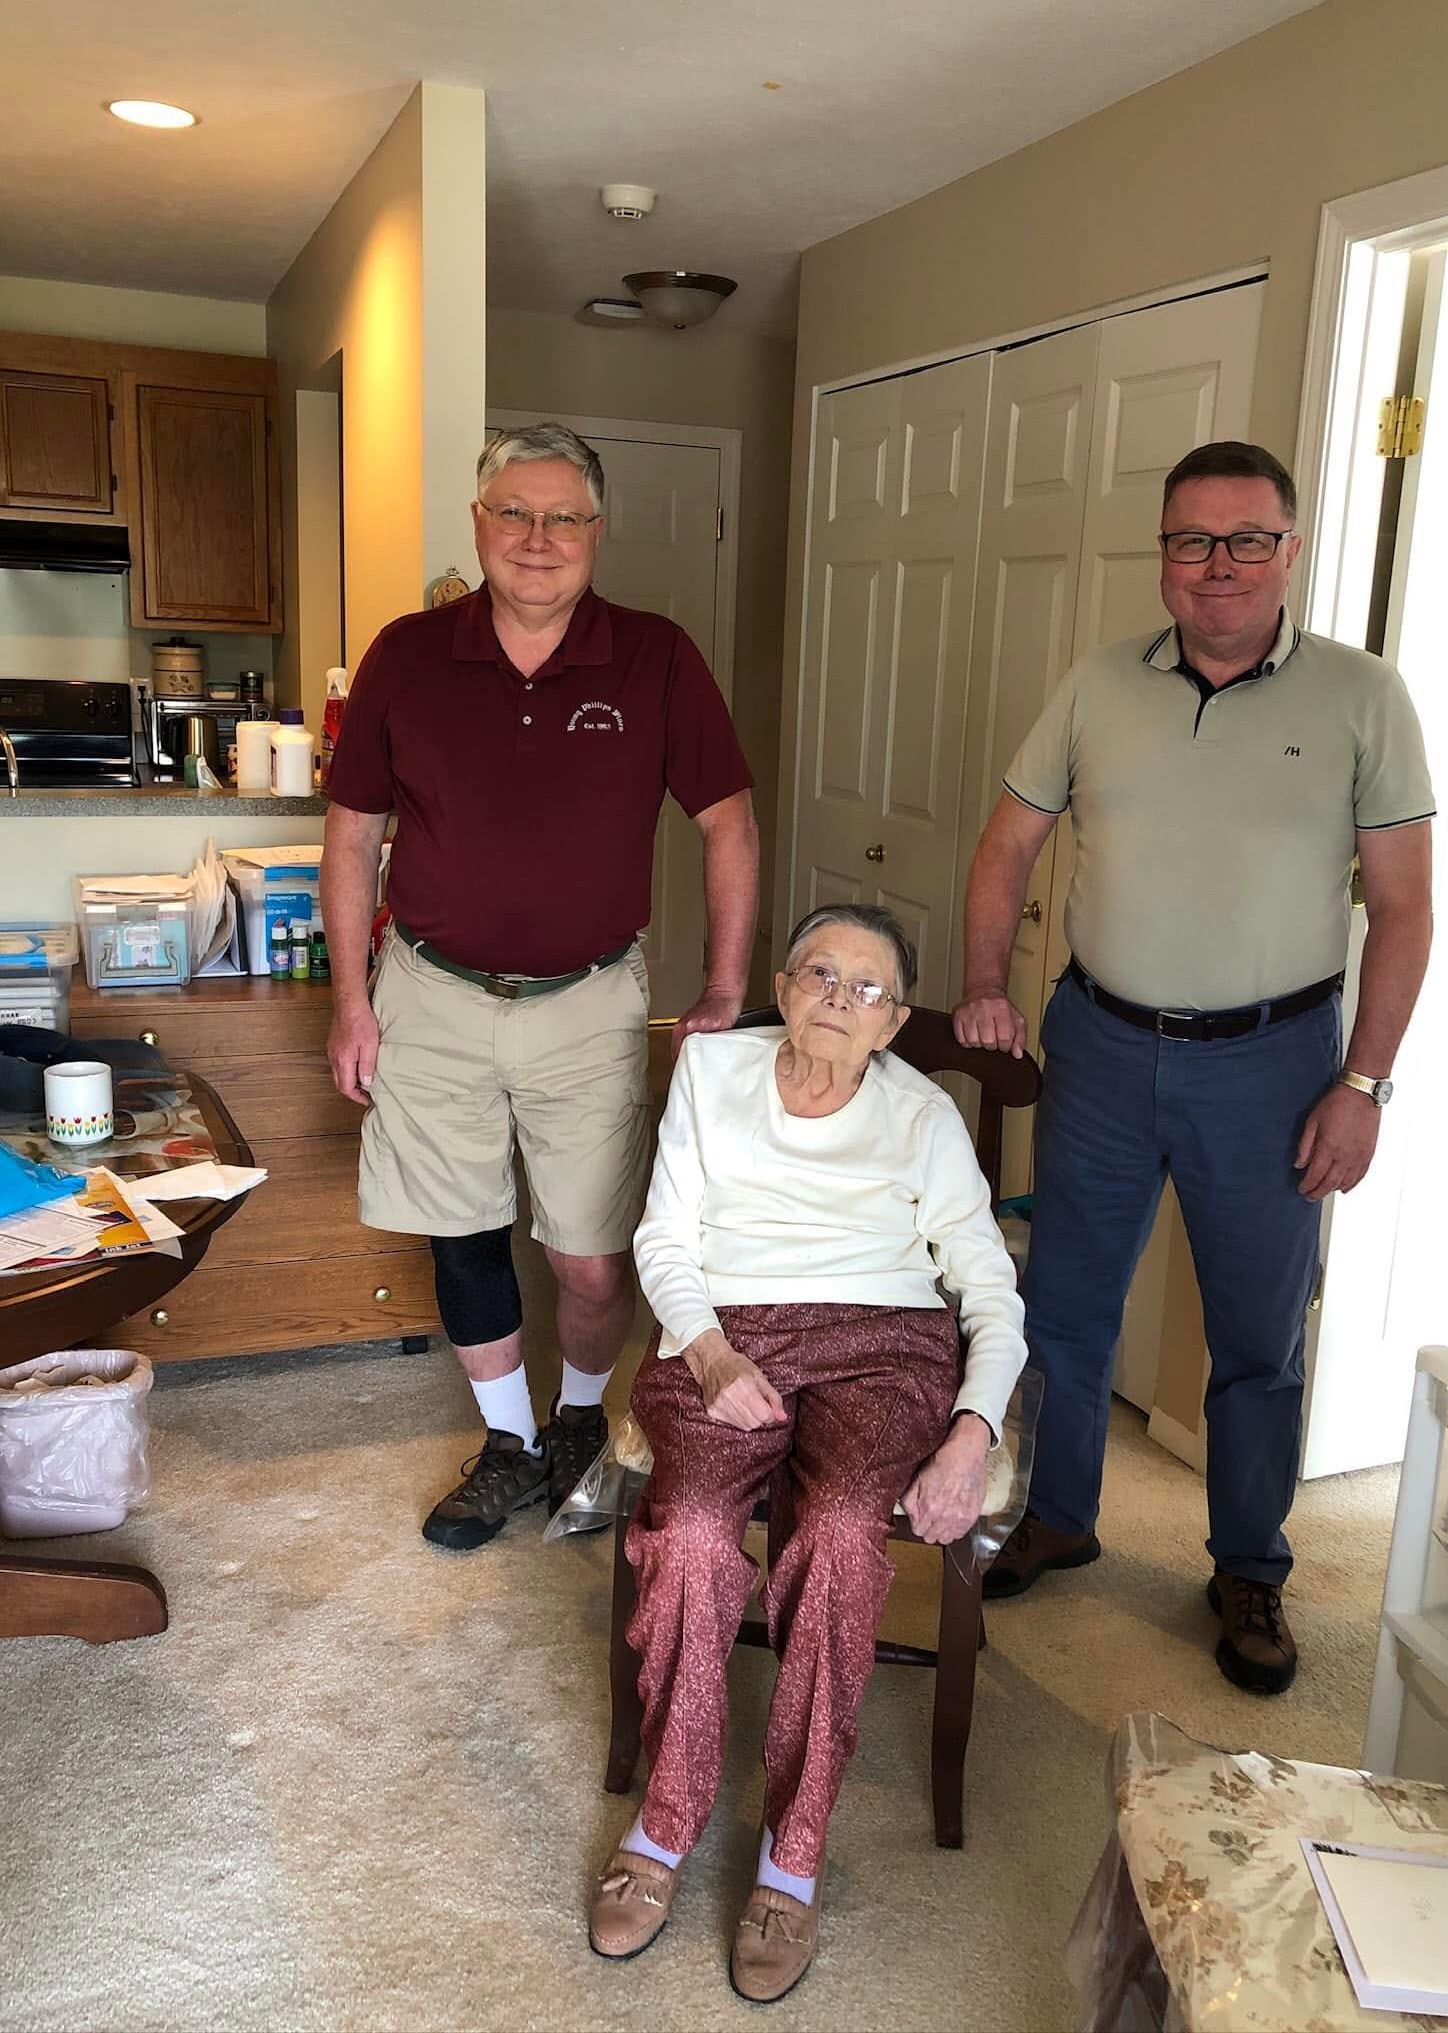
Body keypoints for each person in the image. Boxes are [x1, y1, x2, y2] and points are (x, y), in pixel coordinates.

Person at [953, 439, 1434, 1695]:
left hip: (1275, 1064)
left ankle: (1250, 1563)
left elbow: (1406, 909)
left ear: (1289, 549)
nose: (1217, 566)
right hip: (1102, 1045)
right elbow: (1006, 848)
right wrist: (988, 985)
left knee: (1259, 1335)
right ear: (1162, 554)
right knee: (1058, 1300)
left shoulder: (1363, 696)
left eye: (1246, 540)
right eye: (1189, 541)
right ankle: (1055, 1512)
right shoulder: (1098, 685)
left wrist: (1365, 1084)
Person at [322, 424, 758, 1550]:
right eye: (514, 511)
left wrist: (722, 984)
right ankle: (508, 1440)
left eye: (564, 516)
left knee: (591, 1249)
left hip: (590, 1000)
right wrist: (350, 1001)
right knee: (460, 1231)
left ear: (596, 533)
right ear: (478, 523)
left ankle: (575, 1421)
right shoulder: (407, 654)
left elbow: (728, 819)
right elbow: (349, 831)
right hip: (430, 991)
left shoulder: (655, 654)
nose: (538, 538)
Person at [587, 904, 1025, 2001]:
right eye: (819, 971)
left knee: (835, 1533)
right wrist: (708, 1350)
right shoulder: (712, 1073)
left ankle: (794, 1848)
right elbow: (665, 1235)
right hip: (727, 1329)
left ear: (894, 1021)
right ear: (781, 984)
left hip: (884, 1346)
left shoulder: (924, 1118)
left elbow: (991, 1291)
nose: (837, 995)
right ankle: (669, 1813)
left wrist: (973, 1431)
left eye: (866, 986)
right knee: (687, 1533)